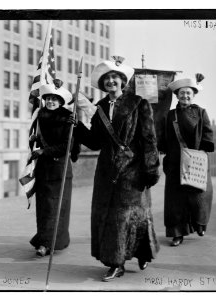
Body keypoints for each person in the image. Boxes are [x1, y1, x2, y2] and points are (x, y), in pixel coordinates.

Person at [73, 56, 160, 282]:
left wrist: (151, 168)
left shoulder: (139, 103)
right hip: (106, 170)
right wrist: (78, 127)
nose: (111, 81)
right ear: (102, 84)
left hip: (133, 169)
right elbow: (95, 141)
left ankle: (141, 252)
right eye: (107, 79)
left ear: (122, 81)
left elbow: (149, 139)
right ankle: (116, 262)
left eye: (115, 77)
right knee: (112, 217)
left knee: (133, 215)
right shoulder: (100, 107)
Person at [159, 74, 214, 247]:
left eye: (188, 93)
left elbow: (207, 133)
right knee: (175, 200)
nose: (185, 96)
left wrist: (203, 151)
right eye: (182, 93)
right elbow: (163, 138)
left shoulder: (201, 112)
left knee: (200, 196)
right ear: (176, 95)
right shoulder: (170, 115)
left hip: (197, 160)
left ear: (194, 95)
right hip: (175, 162)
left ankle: (200, 222)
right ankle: (177, 233)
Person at [28, 79, 74, 257]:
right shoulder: (40, 116)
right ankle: (44, 240)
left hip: (59, 169)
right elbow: (39, 140)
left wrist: (43, 151)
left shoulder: (67, 118)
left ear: (61, 101)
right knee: (44, 207)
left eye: (55, 99)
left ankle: (48, 244)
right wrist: (34, 141)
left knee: (56, 208)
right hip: (44, 169)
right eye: (48, 98)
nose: (50, 102)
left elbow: (67, 146)